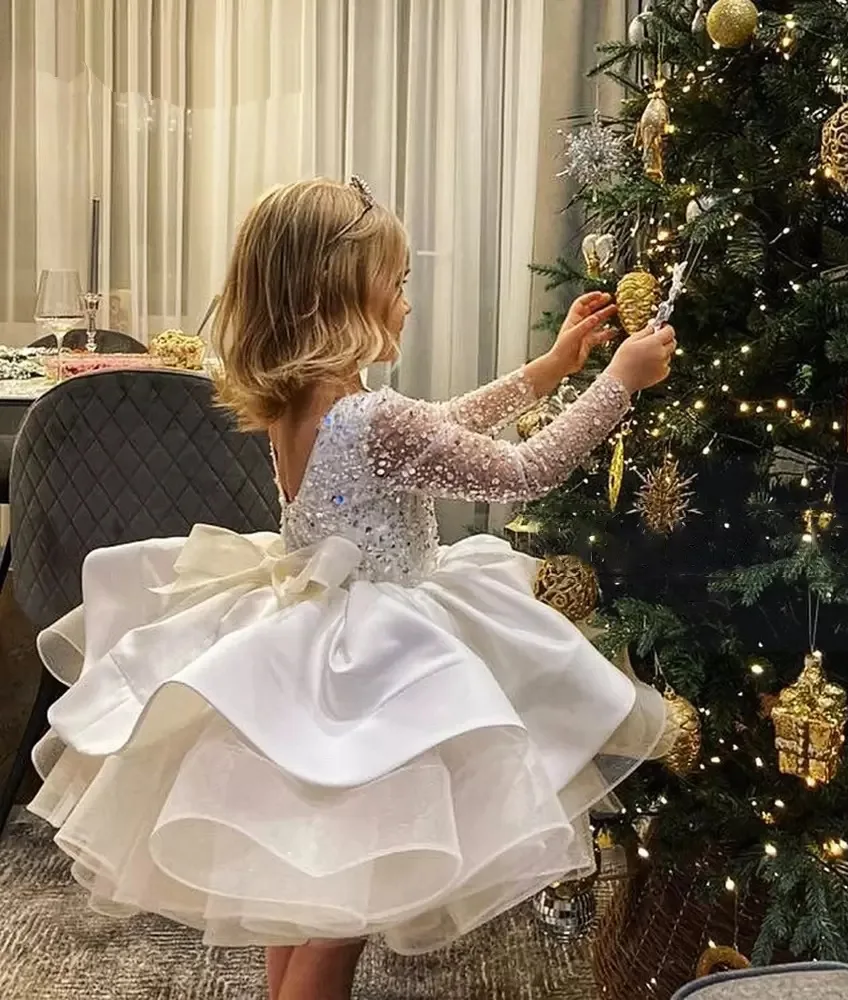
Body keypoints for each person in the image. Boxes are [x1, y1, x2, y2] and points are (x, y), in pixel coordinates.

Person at [28, 177, 680, 1000]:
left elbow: (442, 422)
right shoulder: (375, 420)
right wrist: (619, 380)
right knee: (339, 919)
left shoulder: (305, 399)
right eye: (397, 284)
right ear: (340, 296)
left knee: (305, 896)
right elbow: (528, 470)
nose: (407, 301)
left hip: (309, 634)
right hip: (375, 660)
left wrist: (549, 370)